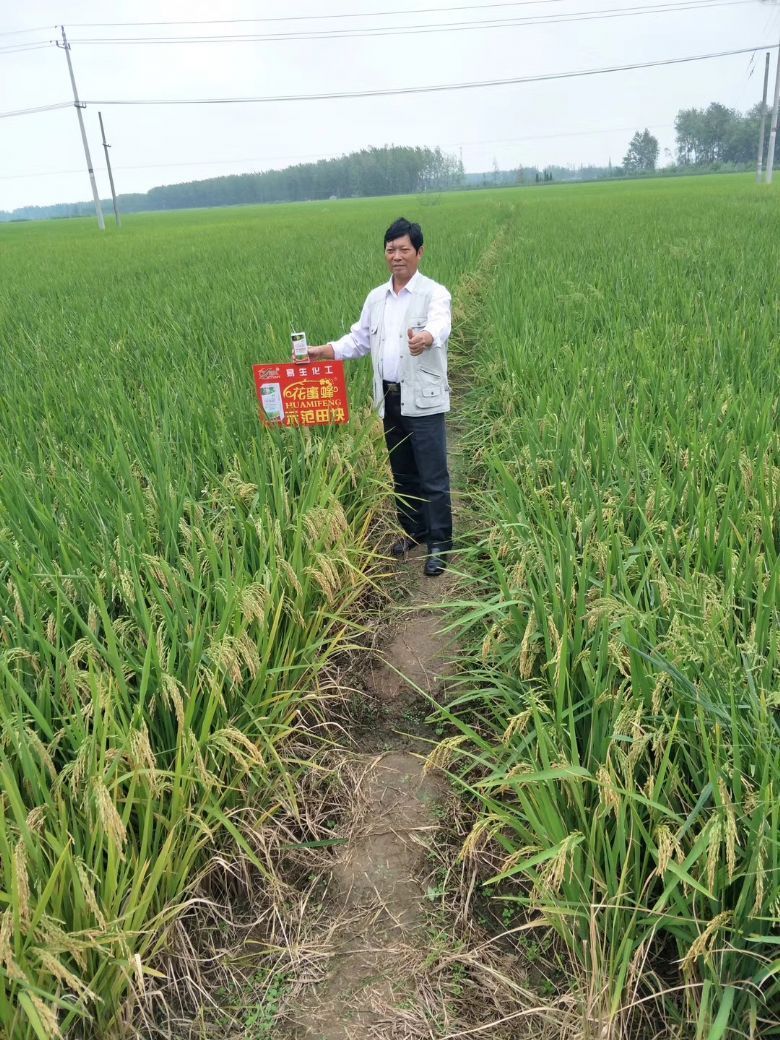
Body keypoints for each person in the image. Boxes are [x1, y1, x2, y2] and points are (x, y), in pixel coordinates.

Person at [306, 217, 453, 577]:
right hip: (388, 398)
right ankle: (415, 531)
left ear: (419, 252)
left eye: (404, 249)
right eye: (391, 250)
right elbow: (358, 340)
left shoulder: (434, 293)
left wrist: (426, 338)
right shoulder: (376, 298)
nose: (396, 256)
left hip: (423, 399)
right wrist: (323, 351)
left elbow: (440, 324)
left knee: (432, 475)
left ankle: (440, 542)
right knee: (402, 472)